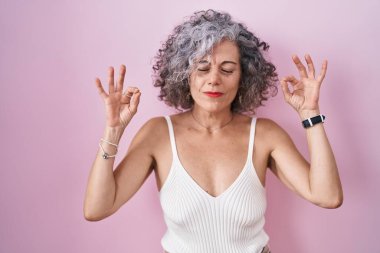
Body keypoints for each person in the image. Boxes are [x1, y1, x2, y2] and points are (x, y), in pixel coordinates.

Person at [83, 9, 343, 253]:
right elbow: (97, 208)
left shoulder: (265, 135)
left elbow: (327, 196)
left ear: (244, 76)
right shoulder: (158, 134)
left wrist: (311, 115)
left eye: (227, 69)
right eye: (203, 68)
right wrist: (113, 131)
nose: (214, 79)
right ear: (184, 73)